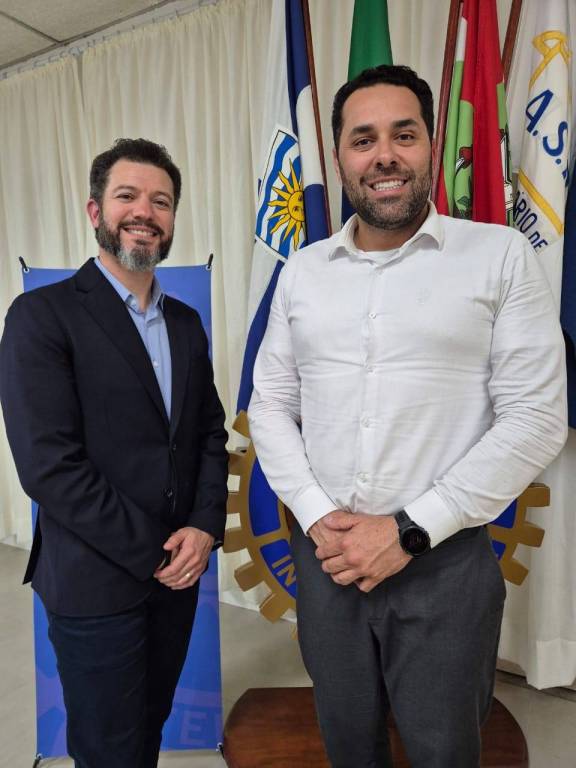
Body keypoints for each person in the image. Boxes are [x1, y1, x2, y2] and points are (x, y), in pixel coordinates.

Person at [248, 65, 567, 767]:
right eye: (363, 140)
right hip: (327, 559)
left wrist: (408, 530)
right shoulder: (302, 272)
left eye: (404, 134)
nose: (384, 156)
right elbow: (269, 402)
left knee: (443, 749)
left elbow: (537, 416)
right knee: (347, 743)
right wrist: (317, 515)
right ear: (340, 158)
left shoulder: (500, 256)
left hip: (444, 568)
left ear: (431, 143)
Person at [0, 138, 228, 768]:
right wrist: (157, 551)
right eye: (128, 196)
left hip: (178, 578)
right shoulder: (40, 316)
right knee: (108, 751)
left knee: (147, 730)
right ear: (95, 210)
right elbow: (49, 467)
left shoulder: (185, 323)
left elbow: (208, 433)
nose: (145, 212)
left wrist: (204, 527)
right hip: (94, 583)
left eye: (161, 201)